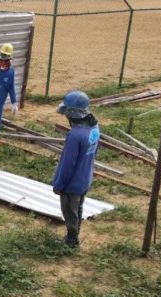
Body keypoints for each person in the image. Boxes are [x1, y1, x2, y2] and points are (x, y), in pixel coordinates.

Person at [52, 91, 100, 248]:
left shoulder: (75, 135)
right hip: (85, 178)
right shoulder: (94, 128)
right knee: (78, 208)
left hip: (72, 184)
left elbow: (68, 164)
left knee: (70, 211)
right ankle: (75, 233)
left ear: (71, 113)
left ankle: (72, 240)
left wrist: (59, 184)